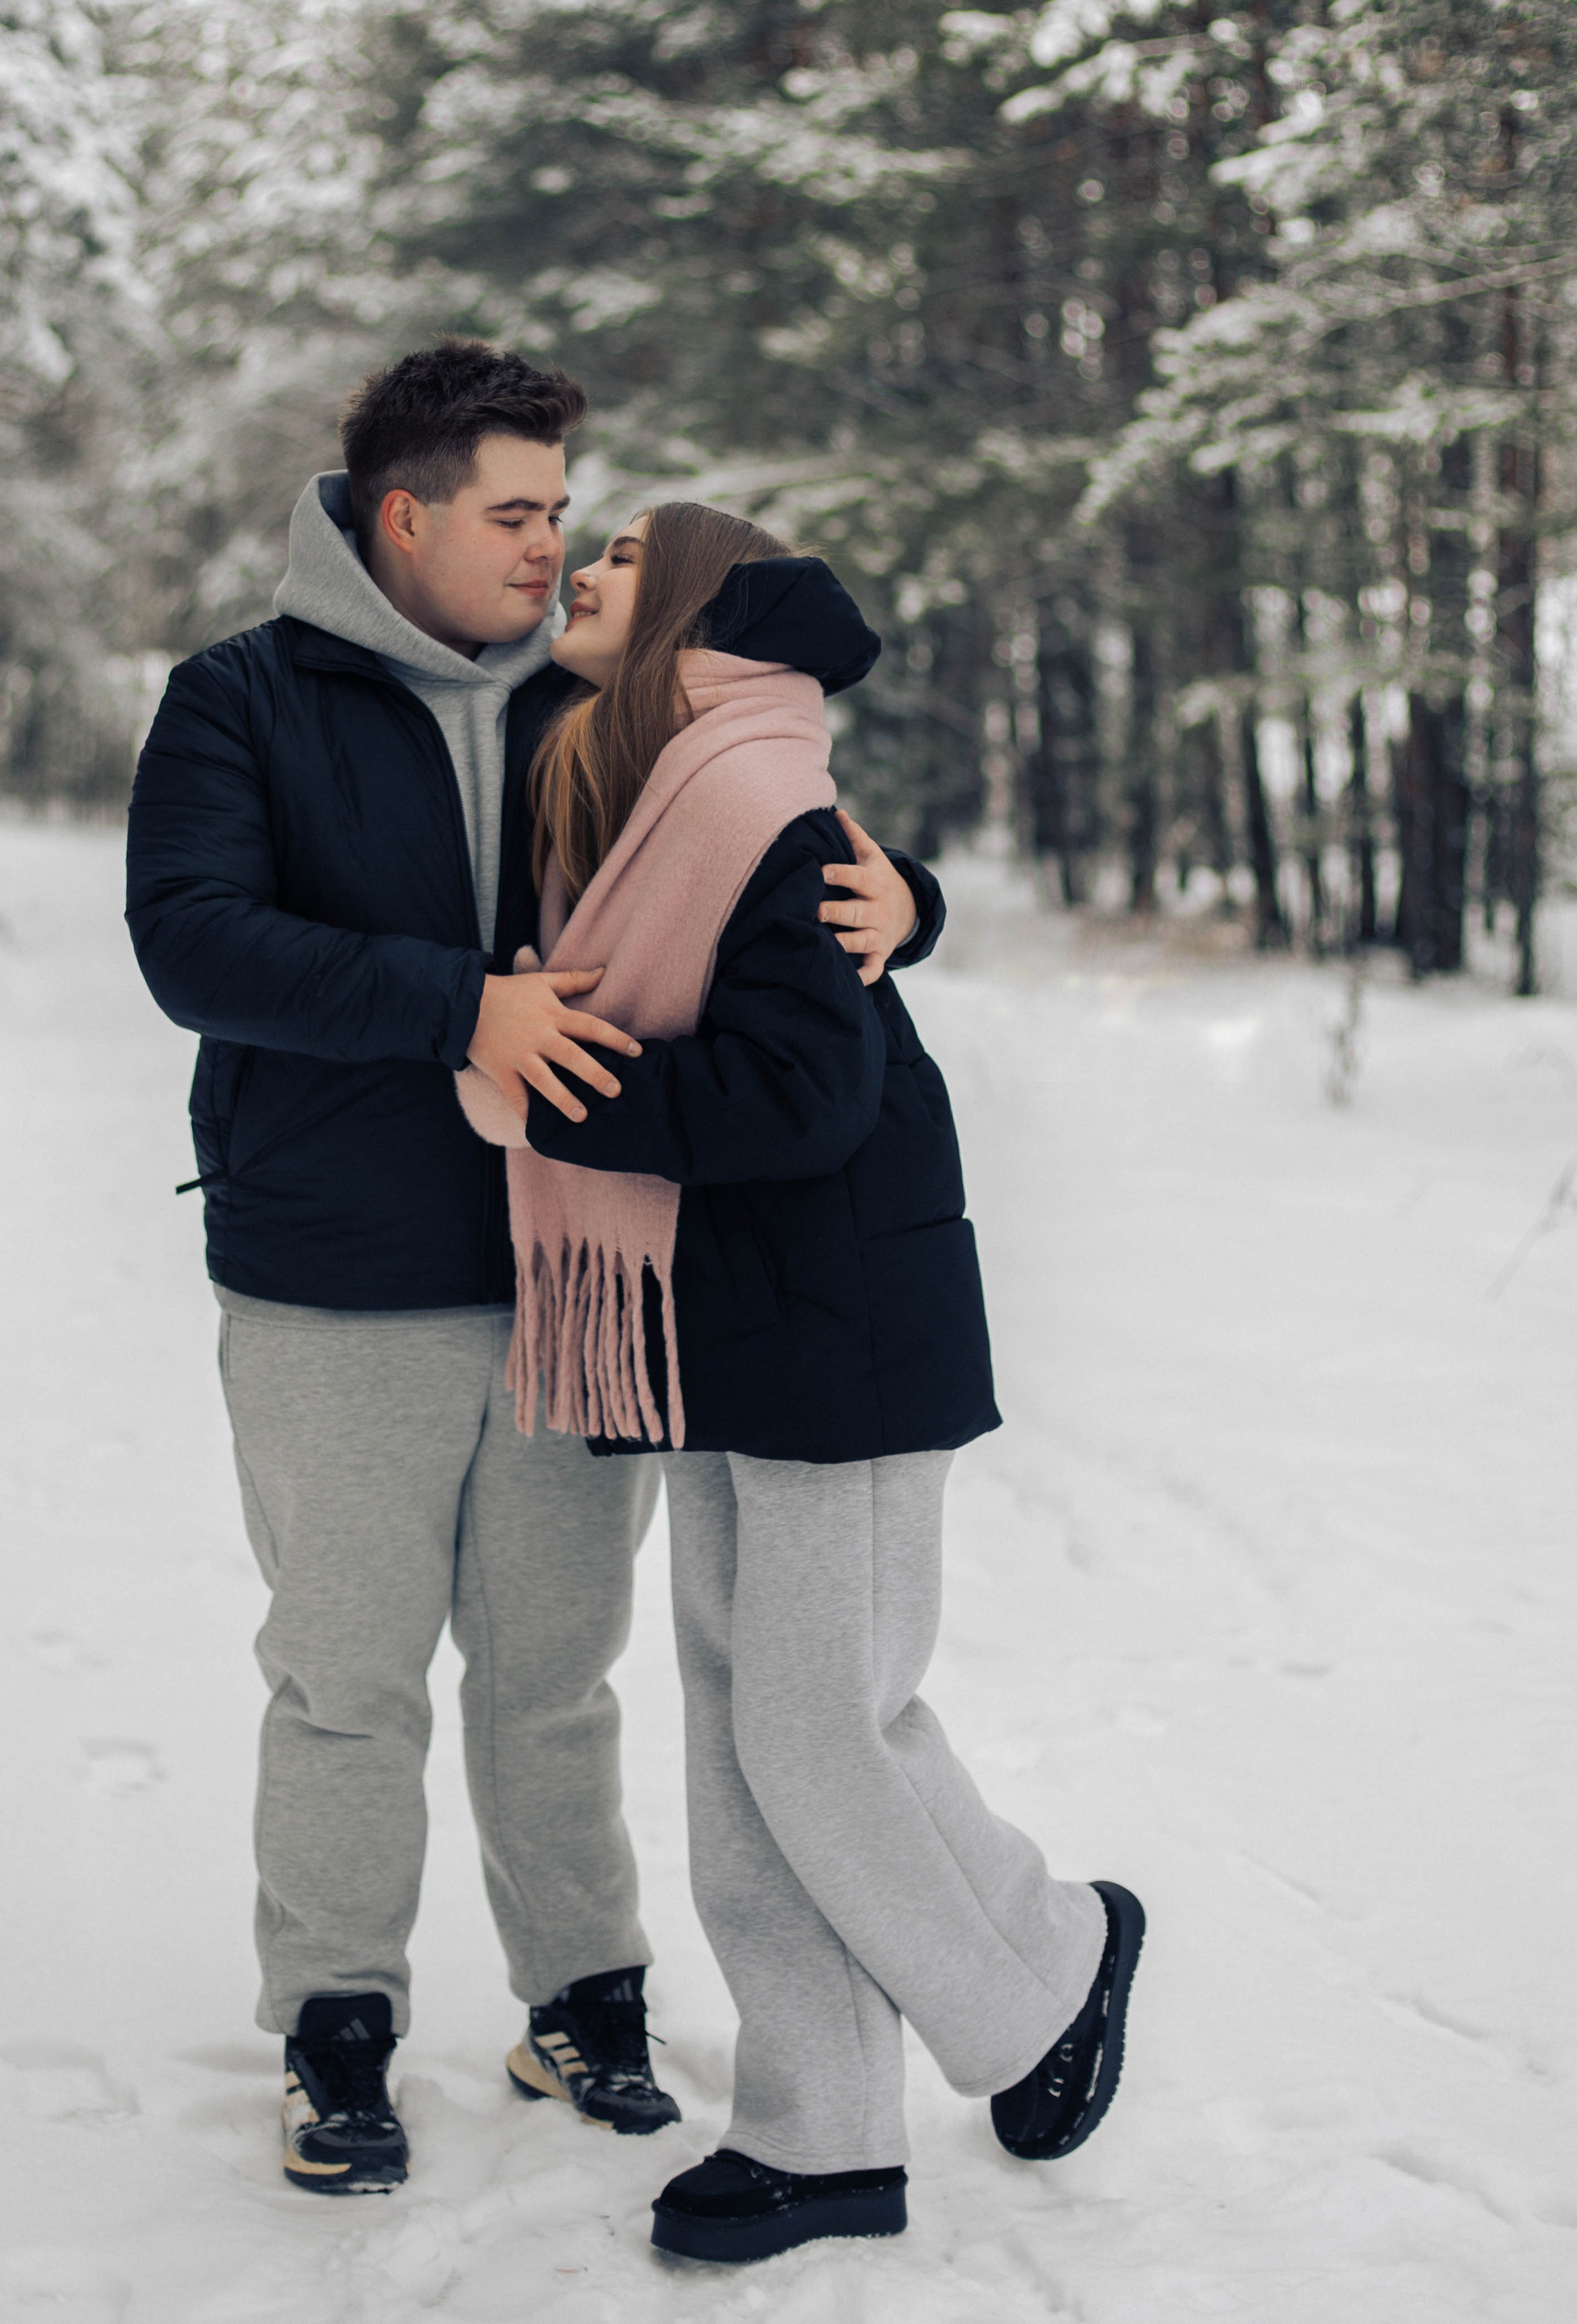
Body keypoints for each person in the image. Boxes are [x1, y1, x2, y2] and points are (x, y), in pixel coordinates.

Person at [123, 340, 940, 2196]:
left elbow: (776, 854)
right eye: (515, 514)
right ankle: (337, 2027)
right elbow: (195, 942)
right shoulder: (240, 699)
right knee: (346, 1678)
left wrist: (922, 900)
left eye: (566, 515)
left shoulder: (603, 703)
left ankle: (587, 1998)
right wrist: (457, 1010)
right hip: (335, 1276)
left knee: (557, 1674)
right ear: (402, 518)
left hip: (581, 1282)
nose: (547, 548)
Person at [457, 499, 1145, 2267]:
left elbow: (797, 1097)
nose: (578, 575)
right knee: (742, 1736)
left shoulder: (756, 803)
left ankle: (1041, 1969)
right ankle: (819, 2131)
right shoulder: (656, 784)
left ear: (694, 613)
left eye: (617, 557)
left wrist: (556, 1096)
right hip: (726, 1323)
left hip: (838, 1322)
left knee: (817, 1726)